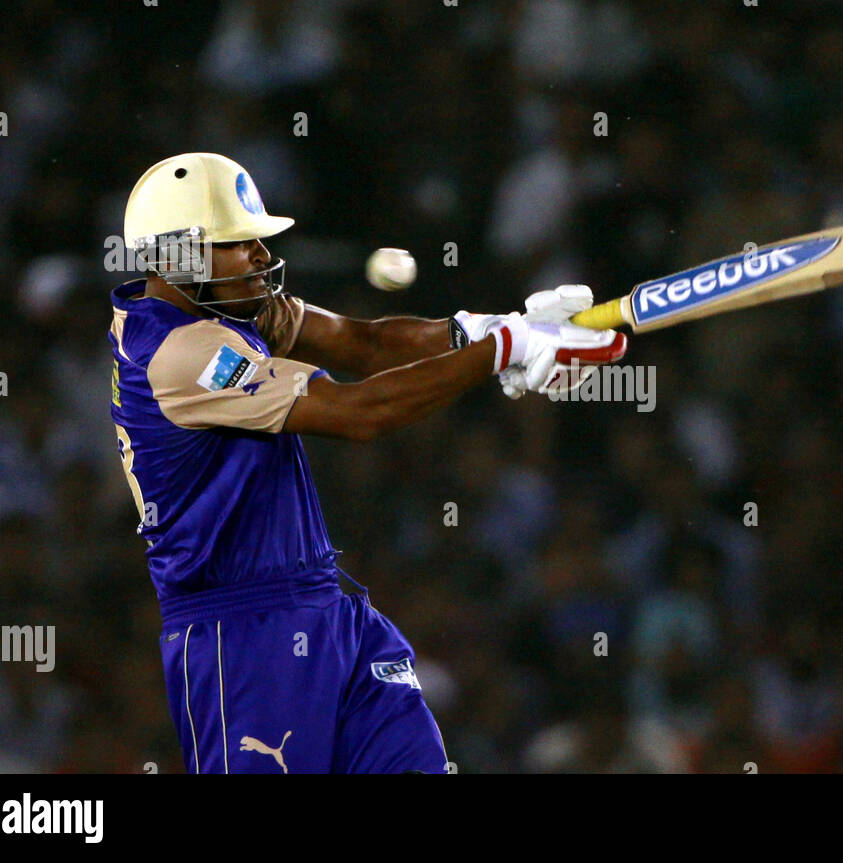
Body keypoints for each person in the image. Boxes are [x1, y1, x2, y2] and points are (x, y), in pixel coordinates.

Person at [109, 152, 626, 773]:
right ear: (176, 258)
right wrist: (501, 352)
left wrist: (487, 327)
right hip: (239, 635)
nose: (257, 257)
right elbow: (359, 414)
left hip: (326, 607)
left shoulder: (222, 305)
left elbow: (364, 342)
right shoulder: (177, 352)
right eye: (236, 243)